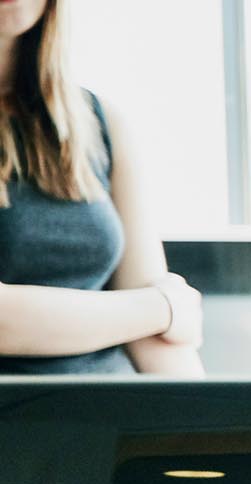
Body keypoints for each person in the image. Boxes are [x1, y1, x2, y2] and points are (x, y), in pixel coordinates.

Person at [0, 0, 202, 375]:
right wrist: (161, 308)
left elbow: (160, 342)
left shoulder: (100, 121)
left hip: (116, 422)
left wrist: (211, 430)